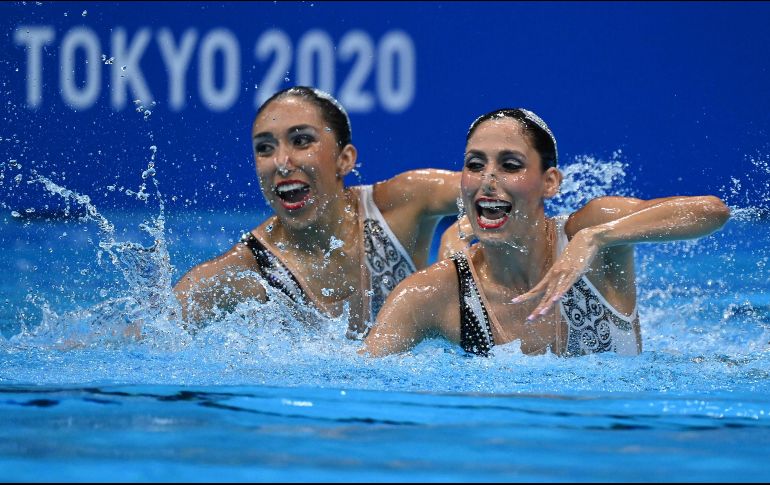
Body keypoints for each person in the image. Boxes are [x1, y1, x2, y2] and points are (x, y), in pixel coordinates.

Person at [362, 108, 731, 357]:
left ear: (550, 182)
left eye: (510, 165)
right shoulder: (431, 294)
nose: (488, 179)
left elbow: (712, 211)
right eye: (475, 165)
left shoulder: (592, 231)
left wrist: (598, 237)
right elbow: (361, 383)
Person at [173, 86, 461, 337]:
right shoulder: (242, 273)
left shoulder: (401, 205)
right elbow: (151, 342)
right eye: (265, 148)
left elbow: (485, 190)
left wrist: (460, 234)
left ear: (344, 159)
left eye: (301, 141)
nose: (281, 162)